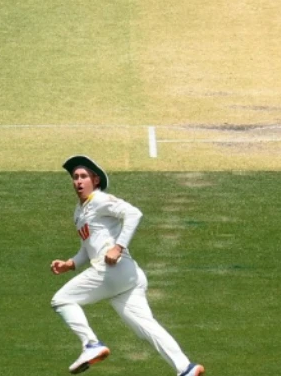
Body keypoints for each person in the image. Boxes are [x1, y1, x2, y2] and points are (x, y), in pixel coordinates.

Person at [49, 155, 205, 376]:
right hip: (128, 277)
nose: (78, 181)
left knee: (62, 300)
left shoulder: (99, 200)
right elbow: (88, 247)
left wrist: (118, 247)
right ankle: (186, 368)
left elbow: (133, 213)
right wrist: (70, 264)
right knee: (147, 327)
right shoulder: (79, 211)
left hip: (111, 270)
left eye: (83, 176)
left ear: (95, 180)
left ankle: (91, 344)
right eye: (75, 177)